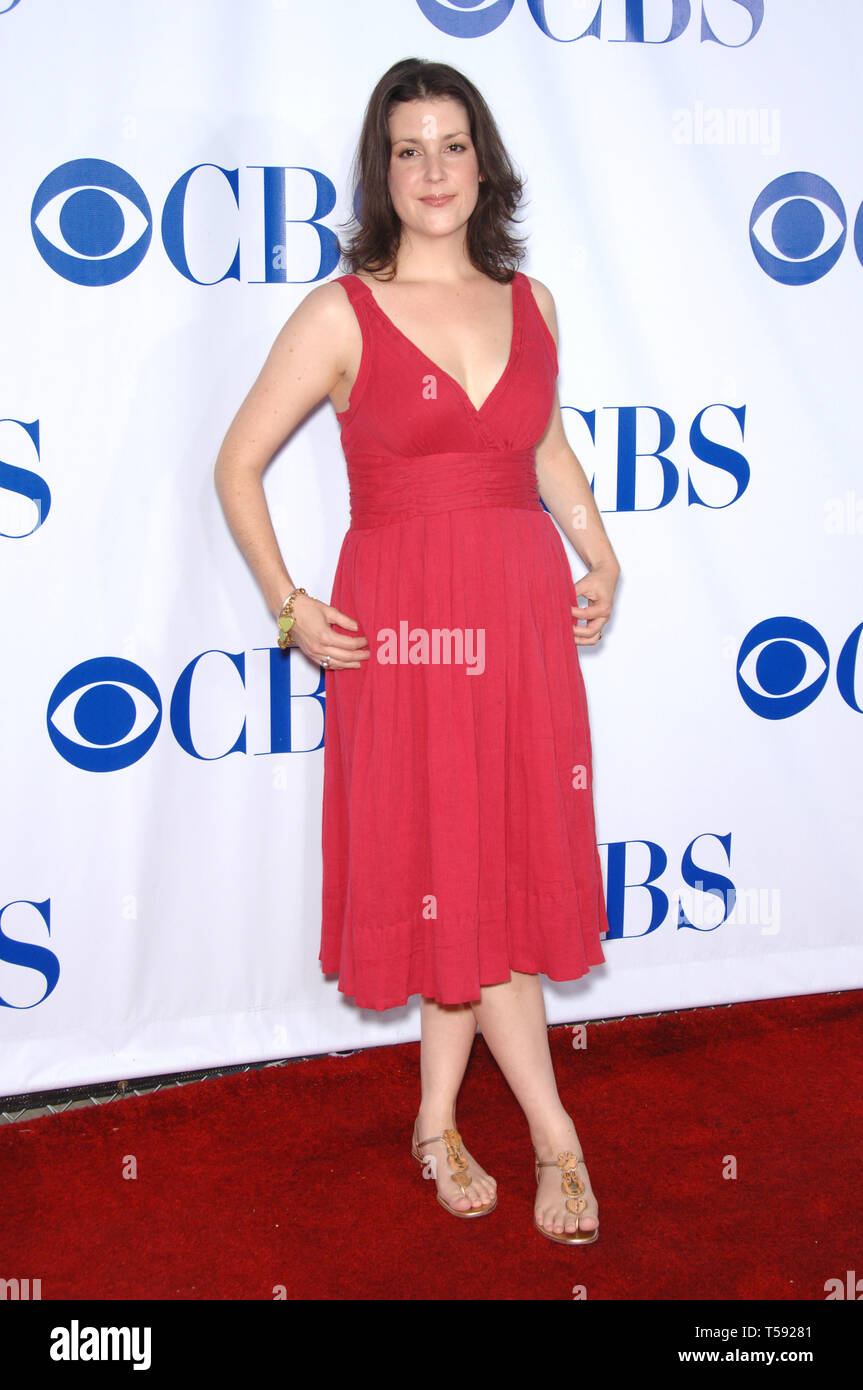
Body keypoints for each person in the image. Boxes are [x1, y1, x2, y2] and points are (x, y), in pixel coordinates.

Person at [214, 57, 620, 1245]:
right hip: (406, 633)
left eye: (451, 145)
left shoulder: (531, 302)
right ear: (380, 171)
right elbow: (236, 464)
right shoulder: (341, 312)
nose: (432, 170)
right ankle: (556, 1135)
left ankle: (435, 1120)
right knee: (456, 865)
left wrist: (601, 555)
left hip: (520, 623)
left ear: (482, 163)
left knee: (483, 874)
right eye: (408, 150)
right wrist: (288, 605)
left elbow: (541, 448)